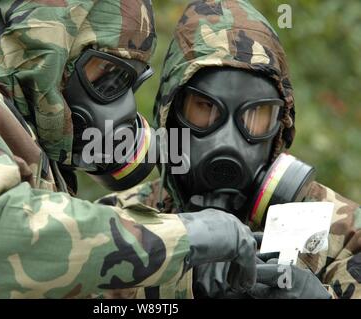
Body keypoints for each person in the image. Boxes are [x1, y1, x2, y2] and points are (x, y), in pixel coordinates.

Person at [0, 0, 259, 299]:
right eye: (109, 75)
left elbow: (53, 279)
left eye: (128, 84)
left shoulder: (22, 137)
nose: (122, 107)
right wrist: (186, 235)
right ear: (50, 46)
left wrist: (190, 283)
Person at [102, 0, 360, 299]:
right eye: (205, 108)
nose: (227, 140)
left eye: (255, 115)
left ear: (280, 126)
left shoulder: (344, 231)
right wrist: (174, 288)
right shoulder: (117, 224)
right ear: (170, 115)